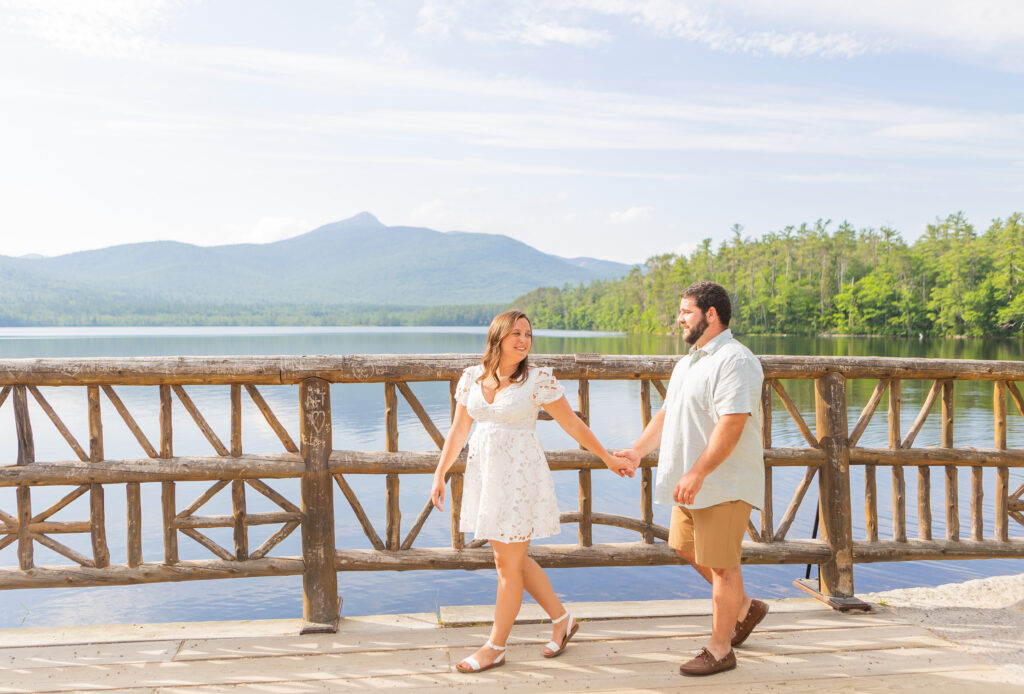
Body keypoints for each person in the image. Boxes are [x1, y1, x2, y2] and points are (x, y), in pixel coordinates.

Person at [430, 309, 637, 673]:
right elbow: (459, 430)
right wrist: (440, 472)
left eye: (528, 334)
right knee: (514, 559)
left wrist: (606, 457)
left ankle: (495, 646)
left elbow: (572, 423)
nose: (524, 340)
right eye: (516, 334)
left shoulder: (538, 380)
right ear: (498, 337)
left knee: (506, 563)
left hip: (520, 477)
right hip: (486, 474)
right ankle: (562, 620)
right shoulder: (472, 377)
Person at [616, 281, 767, 677]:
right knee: (686, 548)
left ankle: (720, 650)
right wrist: (636, 450)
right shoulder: (688, 362)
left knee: (721, 565)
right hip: (692, 480)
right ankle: (746, 608)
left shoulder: (735, 359)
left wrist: (699, 471)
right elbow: (667, 416)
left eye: (685, 311)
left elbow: (733, 424)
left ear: (710, 314)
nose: (679, 319)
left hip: (723, 482)